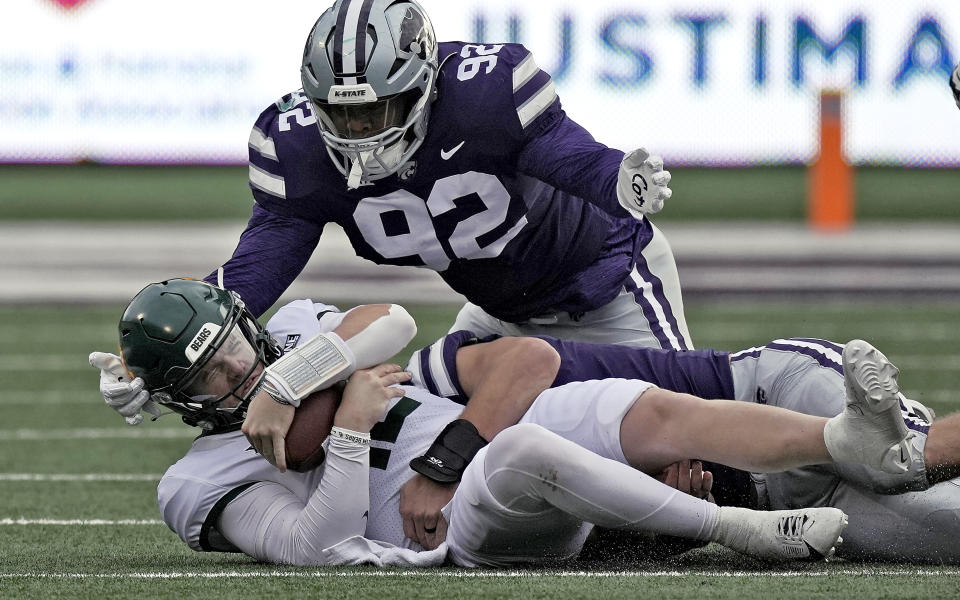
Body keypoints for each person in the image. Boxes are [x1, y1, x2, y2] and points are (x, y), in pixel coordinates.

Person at [95, 279, 923, 568]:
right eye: (210, 373)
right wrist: (348, 426)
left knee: (626, 408)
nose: (237, 370)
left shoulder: (300, 333)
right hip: (450, 522)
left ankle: (832, 440)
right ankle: (742, 528)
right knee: (530, 444)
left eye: (235, 346)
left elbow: (388, 324)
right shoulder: (195, 482)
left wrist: (294, 378)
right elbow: (316, 547)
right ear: (180, 395)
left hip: (463, 449)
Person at [202, 0, 690, 351]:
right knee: (440, 462)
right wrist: (168, 338)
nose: (359, 131)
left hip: (609, 286)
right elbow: (255, 271)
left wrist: (616, 179)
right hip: (496, 317)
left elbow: (565, 155)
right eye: (340, 112)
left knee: (687, 442)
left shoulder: (484, 97)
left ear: (424, 86)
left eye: (376, 110)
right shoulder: (297, 147)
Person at [394, 329, 960, 563]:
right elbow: (608, 534)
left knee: (902, 459)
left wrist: (444, 463)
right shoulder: (363, 520)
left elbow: (528, 361)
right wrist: (660, 526)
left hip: (762, 392)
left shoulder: (414, 393)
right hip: (777, 502)